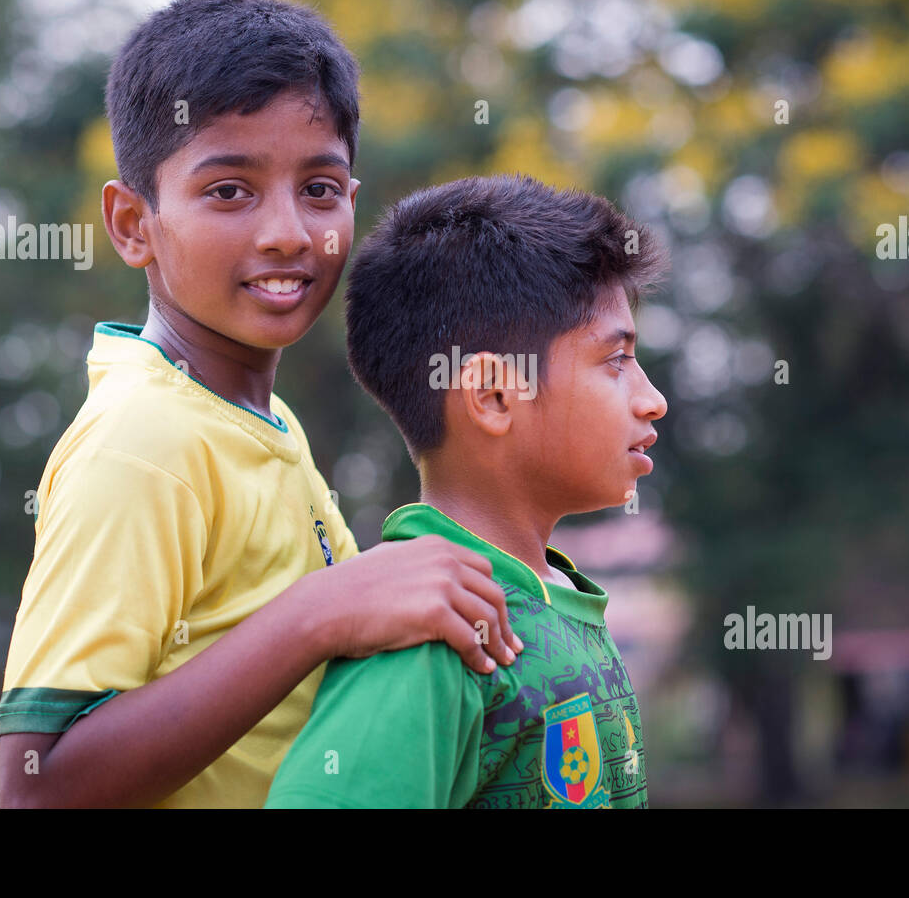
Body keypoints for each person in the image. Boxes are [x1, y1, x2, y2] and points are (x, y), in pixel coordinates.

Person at [0, 0, 522, 809]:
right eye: (230, 191)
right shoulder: (144, 443)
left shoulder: (258, 423)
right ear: (133, 223)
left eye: (320, 189)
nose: (287, 232)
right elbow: (37, 785)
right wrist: (316, 614)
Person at [265, 174, 668, 808]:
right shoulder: (432, 628)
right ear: (494, 395)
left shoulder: (546, 594)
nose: (653, 399)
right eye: (615, 361)